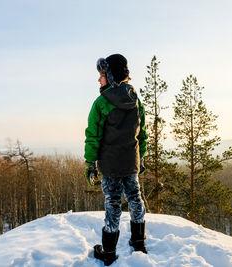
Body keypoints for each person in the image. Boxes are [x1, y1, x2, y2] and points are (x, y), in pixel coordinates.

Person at [84, 54, 148, 266]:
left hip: (110, 165)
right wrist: (142, 158)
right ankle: (139, 242)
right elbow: (142, 134)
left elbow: (93, 136)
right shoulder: (135, 99)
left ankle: (109, 252)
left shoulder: (101, 103)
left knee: (112, 203)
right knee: (134, 198)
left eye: (101, 75)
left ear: (110, 77)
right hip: (131, 162)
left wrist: (90, 164)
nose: (98, 80)